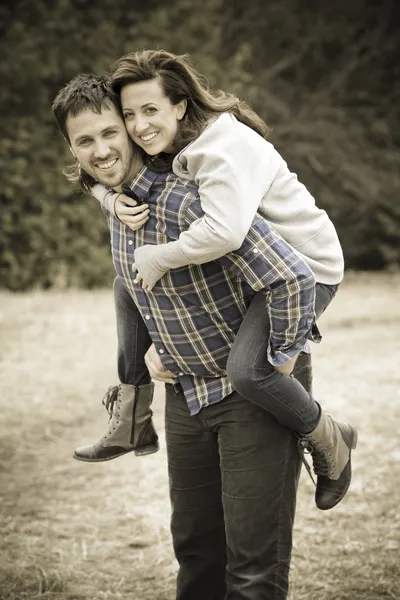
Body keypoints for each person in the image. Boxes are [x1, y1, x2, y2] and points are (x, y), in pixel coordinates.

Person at [52, 73, 317, 600]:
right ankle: (131, 413)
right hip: (186, 395)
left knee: (252, 571)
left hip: (250, 392)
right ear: (71, 148)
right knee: (196, 554)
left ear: (132, 127)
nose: (102, 150)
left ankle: (326, 435)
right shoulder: (120, 201)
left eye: (111, 131)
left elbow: (291, 275)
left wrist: (283, 357)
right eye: (85, 141)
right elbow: (136, 277)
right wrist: (154, 344)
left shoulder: (193, 194)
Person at [91, 49, 357, 511]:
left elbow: (226, 231)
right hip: (258, 273)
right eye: (129, 114)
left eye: (150, 110)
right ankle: (133, 410)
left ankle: (330, 438)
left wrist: (160, 258)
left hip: (305, 269)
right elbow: (92, 166)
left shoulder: (217, 150)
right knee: (124, 286)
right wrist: (107, 199)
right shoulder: (173, 143)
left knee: (249, 370)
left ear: (180, 105)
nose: (138, 126)